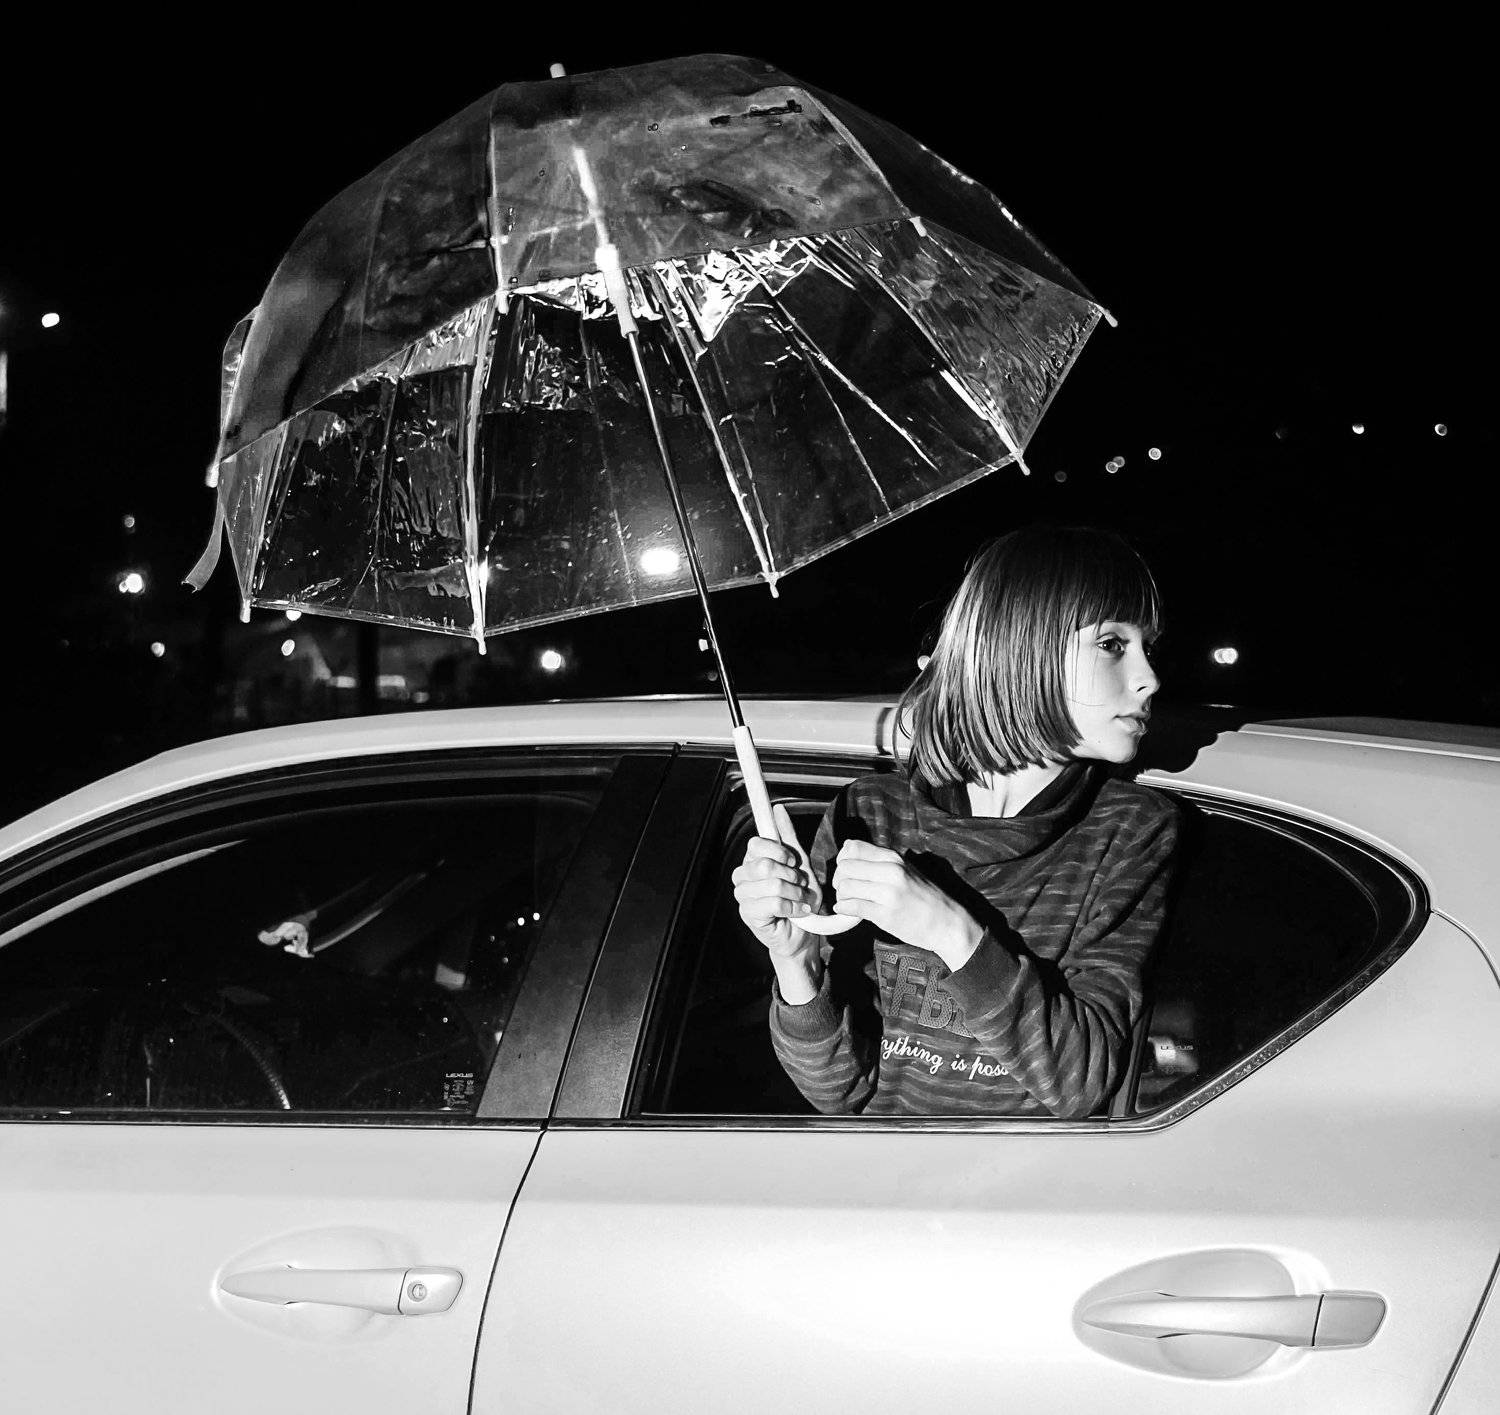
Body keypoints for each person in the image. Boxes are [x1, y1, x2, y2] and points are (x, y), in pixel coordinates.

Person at [733, 525, 1179, 1118]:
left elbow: (1080, 1084)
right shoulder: (870, 814)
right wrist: (795, 961)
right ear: (1017, 648)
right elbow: (838, 1093)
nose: (1150, 677)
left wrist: (948, 930)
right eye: (1113, 644)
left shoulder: (1129, 830)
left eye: (1146, 646)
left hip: (1027, 1178)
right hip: (873, 1173)